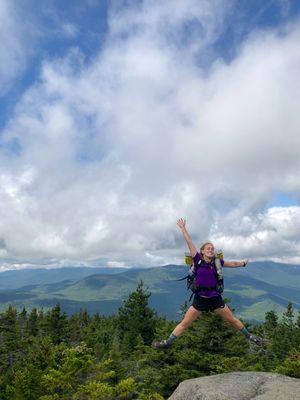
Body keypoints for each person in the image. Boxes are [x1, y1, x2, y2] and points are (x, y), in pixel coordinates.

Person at [153, 218, 263, 349]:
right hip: (200, 299)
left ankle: (250, 337)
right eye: (208, 248)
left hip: (215, 298)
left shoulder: (217, 262)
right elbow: (189, 242)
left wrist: (243, 263)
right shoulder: (197, 259)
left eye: (212, 248)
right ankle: (168, 343)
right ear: (203, 251)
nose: (211, 250)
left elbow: (232, 263)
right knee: (185, 323)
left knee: (232, 320)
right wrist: (183, 228)